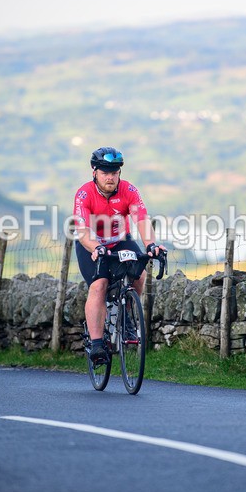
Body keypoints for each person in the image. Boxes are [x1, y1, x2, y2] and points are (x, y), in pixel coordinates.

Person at [73, 146, 167, 365]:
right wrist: (96, 247)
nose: (110, 177)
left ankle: (126, 318)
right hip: (91, 244)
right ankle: (97, 344)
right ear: (94, 172)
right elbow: (83, 231)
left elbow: (141, 219)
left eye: (114, 173)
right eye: (105, 172)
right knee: (99, 285)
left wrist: (151, 244)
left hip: (119, 240)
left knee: (139, 274)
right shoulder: (84, 193)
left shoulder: (129, 190)